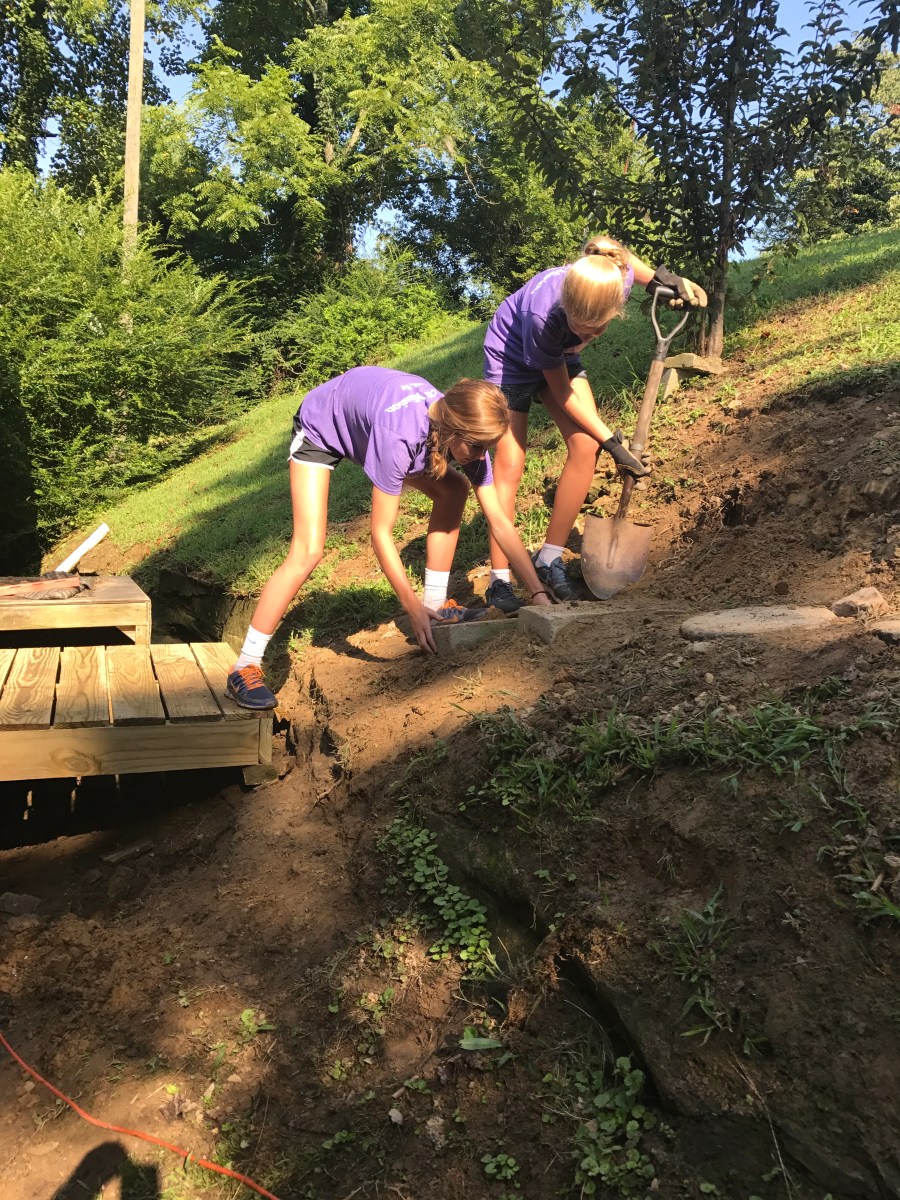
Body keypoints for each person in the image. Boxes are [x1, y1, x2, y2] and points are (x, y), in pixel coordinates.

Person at [225, 366, 553, 709]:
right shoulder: (399, 436)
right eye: (476, 445)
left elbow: (499, 520)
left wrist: (538, 594)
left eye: (488, 446)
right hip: (322, 424)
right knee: (308, 550)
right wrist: (410, 607)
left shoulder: (460, 434)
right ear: (455, 427)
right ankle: (245, 666)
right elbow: (380, 534)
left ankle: (436, 605)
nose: (480, 454)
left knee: (454, 489)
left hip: (376, 421)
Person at [482, 236, 708, 610]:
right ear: (567, 306)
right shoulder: (545, 319)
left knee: (585, 445)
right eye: (581, 328)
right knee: (510, 463)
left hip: (559, 352)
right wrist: (614, 444)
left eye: (595, 331)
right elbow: (563, 394)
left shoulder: (613, 278)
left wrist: (663, 280)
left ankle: (548, 558)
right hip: (510, 359)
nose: (587, 336)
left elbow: (621, 258)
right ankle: (499, 580)